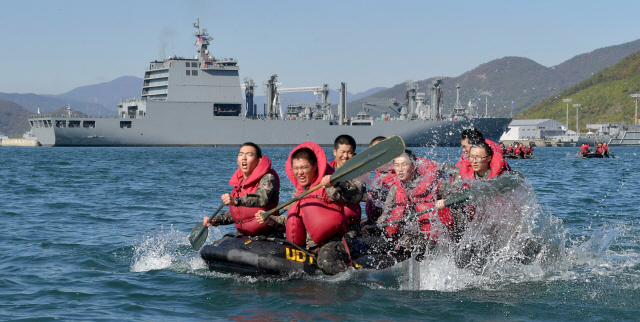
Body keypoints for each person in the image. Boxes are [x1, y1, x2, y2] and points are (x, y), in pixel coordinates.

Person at [256, 142, 364, 275]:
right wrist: (270, 219)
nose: (299, 172)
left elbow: (354, 197)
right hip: (304, 246)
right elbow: (292, 220)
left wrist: (336, 183)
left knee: (325, 262)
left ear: (315, 166)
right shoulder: (298, 192)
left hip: (331, 243)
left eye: (304, 167)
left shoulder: (328, 187)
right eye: (295, 168)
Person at [203, 142, 282, 238]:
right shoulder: (240, 184)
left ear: (258, 160)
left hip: (268, 235)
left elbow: (261, 198)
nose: (244, 157)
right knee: (214, 247)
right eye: (241, 154)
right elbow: (241, 213)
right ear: (237, 161)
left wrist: (236, 201)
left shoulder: (268, 178)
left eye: (249, 154)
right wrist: (216, 220)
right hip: (245, 235)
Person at [328, 135, 366, 231]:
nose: (345, 156)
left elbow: (355, 197)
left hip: (350, 224)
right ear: (334, 152)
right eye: (342, 152)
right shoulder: (327, 170)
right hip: (329, 219)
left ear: (353, 154)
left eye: (349, 153)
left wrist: (337, 184)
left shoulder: (359, 172)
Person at [363, 136, 392, 226]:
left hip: (384, 224)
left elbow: (389, 207)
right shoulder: (380, 173)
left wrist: (375, 226)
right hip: (372, 220)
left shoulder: (395, 174)